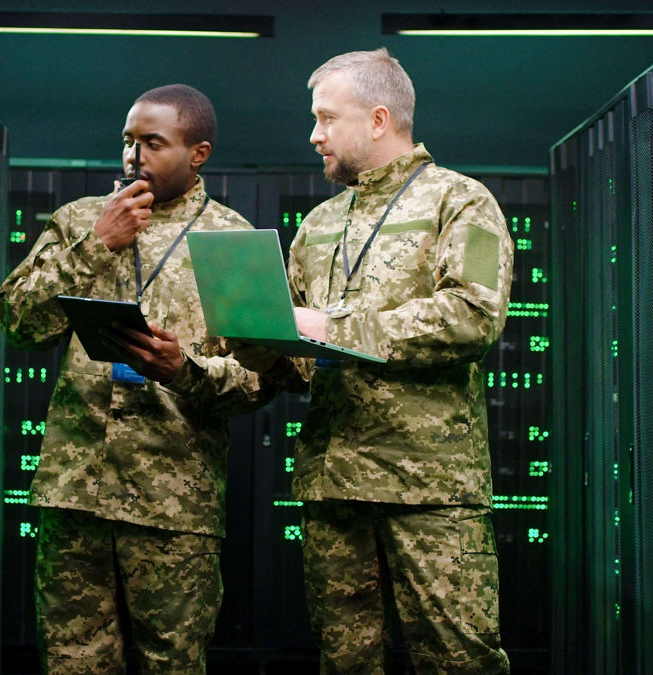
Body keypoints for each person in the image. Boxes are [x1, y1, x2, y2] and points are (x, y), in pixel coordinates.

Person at [239, 49, 514, 673]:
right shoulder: (318, 225)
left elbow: (472, 317)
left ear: (379, 119)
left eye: (326, 118)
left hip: (430, 491)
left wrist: (331, 325)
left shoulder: (462, 203)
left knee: (458, 661)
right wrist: (259, 345)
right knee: (346, 663)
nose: (314, 136)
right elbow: (304, 355)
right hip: (333, 486)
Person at [0, 84, 271, 674]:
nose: (133, 158)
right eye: (127, 141)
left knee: (172, 664)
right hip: (75, 495)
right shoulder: (77, 221)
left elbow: (263, 378)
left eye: (152, 143)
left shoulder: (231, 241)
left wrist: (184, 370)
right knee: (71, 664)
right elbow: (18, 323)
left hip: (172, 506)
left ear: (198, 153)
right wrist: (97, 244)